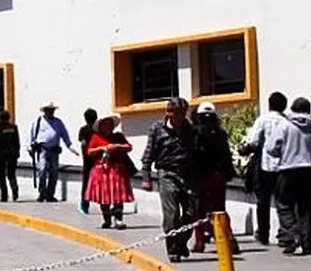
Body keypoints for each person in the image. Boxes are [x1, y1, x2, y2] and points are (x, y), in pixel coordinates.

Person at [267, 97, 311, 256]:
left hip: (288, 170)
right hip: (310, 171)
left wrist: (283, 151)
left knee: (283, 205)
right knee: (308, 209)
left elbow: (271, 148)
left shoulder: (285, 125)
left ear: (293, 110)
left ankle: (293, 234)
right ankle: (307, 244)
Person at [141, 97, 198, 263]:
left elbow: (197, 152)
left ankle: (181, 243)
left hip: (188, 174)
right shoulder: (157, 129)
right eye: (177, 114)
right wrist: (146, 177)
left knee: (192, 213)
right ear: (168, 113)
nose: (180, 117)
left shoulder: (190, 129)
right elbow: (148, 154)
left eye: (183, 113)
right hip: (167, 173)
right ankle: (173, 249)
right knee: (171, 215)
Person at [240, 91, 290, 246]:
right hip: (282, 168)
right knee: (284, 202)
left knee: (263, 202)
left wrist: (244, 150)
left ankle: (263, 233)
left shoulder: (263, 120)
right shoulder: (287, 123)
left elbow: (253, 142)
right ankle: (284, 235)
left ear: (269, 104)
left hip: (264, 167)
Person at [192, 102, 240, 254]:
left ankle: (200, 241)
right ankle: (228, 239)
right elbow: (226, 155)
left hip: (201, 176)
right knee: (219, 209)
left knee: (200, 210)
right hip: (218, 176)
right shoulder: (221, 133)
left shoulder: (195, 133)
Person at [85, 114, 134, 230]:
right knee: (104, 197)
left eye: (110, 125)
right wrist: (102, 148)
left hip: (116, 170)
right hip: (102, 171)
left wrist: (117, 146)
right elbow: (89, 151)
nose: (109, 127)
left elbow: (128, 147)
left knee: (118, 196)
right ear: (101, 126)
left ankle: (118, 219)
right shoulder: (96, 137)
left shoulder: (118, 136)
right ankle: (106, 219)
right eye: (106, 125)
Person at [28, 101, 79, 203]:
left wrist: (70, 147)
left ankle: (50, 194)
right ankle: (42, 192)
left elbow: (64, 135)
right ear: (45, 111)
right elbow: (32, 135)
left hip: (54, 149)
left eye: (52, 110)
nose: (51, 112)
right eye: (49, 110)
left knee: (54, 172)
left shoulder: (58, 122)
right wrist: (30, 148)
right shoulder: (38, 121)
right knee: (42, 170)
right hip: (42, 149)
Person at [0, 110, 20, 202]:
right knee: (11, 173)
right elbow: (17, 141)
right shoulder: (14, 127)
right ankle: (14, 189)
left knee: (2, 175)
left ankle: (4, 196)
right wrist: (17, 153)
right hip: (12, 154)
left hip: (1, 154)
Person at [77, 108, 98, 215]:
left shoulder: (83, 130)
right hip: (98, 159)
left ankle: (85, 205)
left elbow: (83, 143)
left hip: (87, 160)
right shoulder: (98, 129)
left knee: (86, 183)